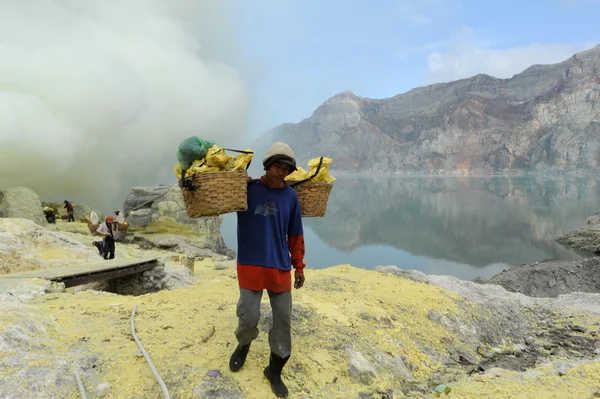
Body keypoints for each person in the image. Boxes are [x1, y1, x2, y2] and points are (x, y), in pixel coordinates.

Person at [229, 142, 306, 398]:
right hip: (250, 265)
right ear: (267, 165)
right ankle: (244, 344)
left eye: (286, 168)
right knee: (249, 316)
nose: (281, 171)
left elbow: (295, 234)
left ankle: (274, 370)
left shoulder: (291, 197)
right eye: (277, 165)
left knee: (283, 320)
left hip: (279, 267)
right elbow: (217, 201)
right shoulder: (247, 189)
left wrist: (299, 267)